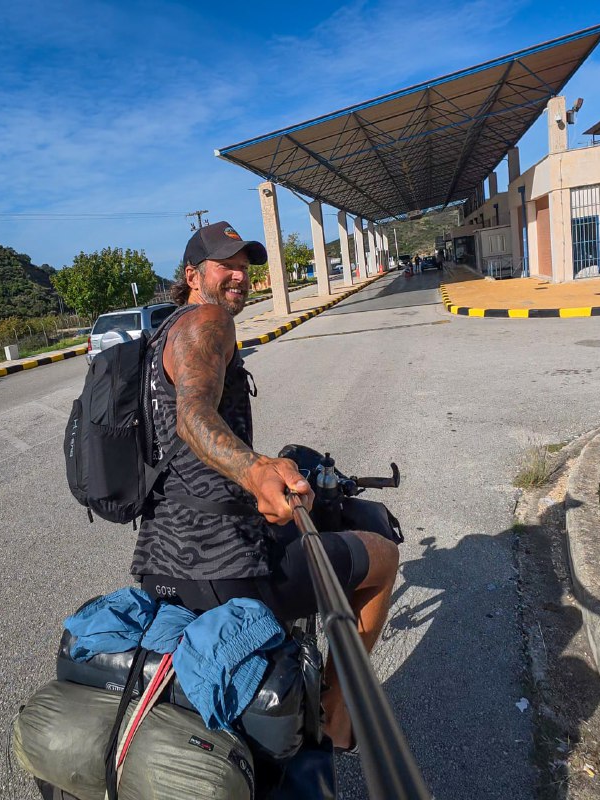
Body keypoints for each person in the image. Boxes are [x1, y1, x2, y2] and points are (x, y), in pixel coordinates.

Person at [130, 221, 399, 751]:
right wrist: (254, 470)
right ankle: (335, 721)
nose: (238, 275)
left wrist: (262, 465)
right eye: (225, 265)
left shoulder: (163, 333)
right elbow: (193, 416)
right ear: (192, 275)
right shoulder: (207, 321)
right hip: (224, 566)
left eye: (244, 265)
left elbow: (187, 442)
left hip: (158, 562)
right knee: (383, 558)